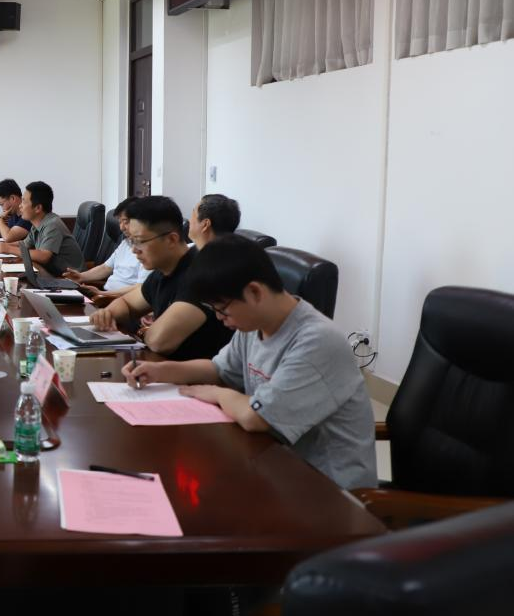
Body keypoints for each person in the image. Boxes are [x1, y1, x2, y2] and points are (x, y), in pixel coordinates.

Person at [122, 236, 376, 490]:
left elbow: (257, 417)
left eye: (222, 309)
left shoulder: (317, 341)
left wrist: (216, 394)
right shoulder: (254, 325)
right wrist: (160, 371)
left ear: (254, 292)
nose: (219, 318)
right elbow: (219, 369)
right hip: (273, 465)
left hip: (328, 490)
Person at [90, 196, 232, 360]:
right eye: (131, 241)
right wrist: (107, 314)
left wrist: (144, 332)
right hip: (161, 367)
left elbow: (159, 341)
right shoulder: (163, 269)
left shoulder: (201, 274)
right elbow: (127, 303)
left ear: (171, 239)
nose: (134, 250)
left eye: (140, 241)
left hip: (194, 373)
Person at [63, 197, 150, 299]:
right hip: (105, 294)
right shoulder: (125, 243)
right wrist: (81, 277)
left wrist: (102, 294)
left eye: (125, 222)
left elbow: (140, 288)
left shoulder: (149, 251)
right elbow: (106, 267)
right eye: (120, 222)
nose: (121, 227)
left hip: (117, 299)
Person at [0, 181, 84, 276]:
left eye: (24, 202)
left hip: (71, 279)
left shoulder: (53, 224)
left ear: (37, 208)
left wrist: (8, 249)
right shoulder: (37, 224)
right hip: (52, 275)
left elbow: (44, 256)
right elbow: (24, 244)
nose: (20, 206)